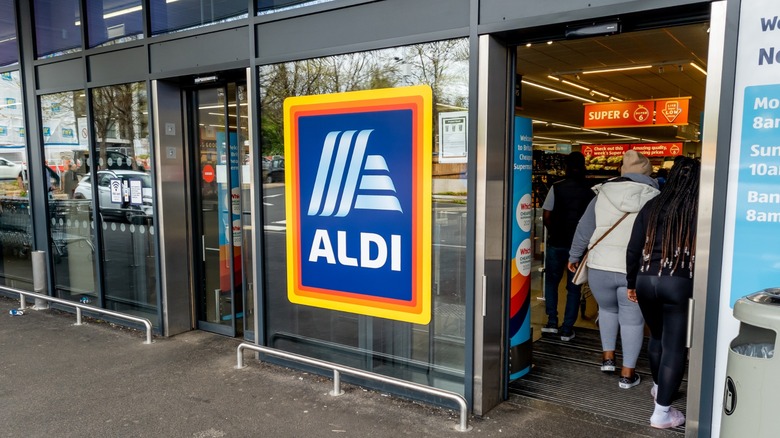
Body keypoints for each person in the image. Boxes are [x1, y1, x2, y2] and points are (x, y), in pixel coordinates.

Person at [568, 150, 660, 389]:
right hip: (633, 269)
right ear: (648, 174)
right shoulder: (655, 197)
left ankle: (607, 358)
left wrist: (574, 255)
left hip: (600, 266)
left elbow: (584, 227)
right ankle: (627, 374)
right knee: (632, 321)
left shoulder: (603, 193)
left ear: (622, 170)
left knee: (607, 311)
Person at [625, 157, 700, 429]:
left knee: (656, 336)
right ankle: (661, 413)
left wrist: (631, 282)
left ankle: (659, 388)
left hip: (646, 279)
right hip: (678, 281)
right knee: (674, 345)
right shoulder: (698, 209)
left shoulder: (652, 206)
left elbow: (633, 249)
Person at [540, 152, 595, 341]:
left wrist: (555, 232)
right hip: (579, 246)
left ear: (565, 167)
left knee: (551, 282)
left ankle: (551, 322)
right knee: (574, 286)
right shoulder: (592, 191)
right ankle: (567, 328)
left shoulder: (556, 188)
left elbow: (546, 216)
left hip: (557, 242)